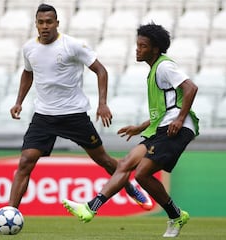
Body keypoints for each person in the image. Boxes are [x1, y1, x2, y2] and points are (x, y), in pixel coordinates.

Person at [0, 3, 152, 222]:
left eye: (49, 22)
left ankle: (130, 187)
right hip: (44, 116)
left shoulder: (72, 45)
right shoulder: (29, 48)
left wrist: (102, 103)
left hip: (74, 114)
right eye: (41, 22)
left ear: (57, 23)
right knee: (26, 160)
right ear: (35, 24)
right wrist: (19, 102)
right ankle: (10, 213)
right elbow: (28, 73)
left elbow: (100, 70)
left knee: (102, 159)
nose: (45, 26)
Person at [62, 22, 199, 238]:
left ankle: (175, 216)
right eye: (137, 45)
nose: (137, 49)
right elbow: (166, 107)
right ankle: (90, 208)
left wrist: (180, 119)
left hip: (177, 129)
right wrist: (140, 127)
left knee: (143, 174)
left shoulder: (164, 66)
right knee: (126, 163)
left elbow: (191, 88)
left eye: (143, 46)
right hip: (161, 127)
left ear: (155, 49)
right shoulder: (154, 70)